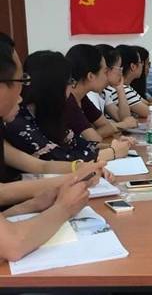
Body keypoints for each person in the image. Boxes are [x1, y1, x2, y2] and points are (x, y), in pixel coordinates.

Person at [0, 34, 104, 262]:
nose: (22, 94)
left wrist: (32, 204)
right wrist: (64, 207)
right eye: (20, 81)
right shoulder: (18, 121)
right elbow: (13, 245)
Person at [5, 50, 128, 163]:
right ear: (55, 87)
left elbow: (74, 142)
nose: (71, 87)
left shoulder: (47, 110)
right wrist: (111, 152)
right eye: (70, 81)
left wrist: (113, 146)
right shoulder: (17, 119)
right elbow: (54, 158)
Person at [88, 45, 137, 129]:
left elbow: (123, 118)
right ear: (106, 69)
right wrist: (124, 124)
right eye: (119, 67)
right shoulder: (91, 94)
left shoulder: (104, 92)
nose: (121, 72)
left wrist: (120, 88)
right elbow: (98, 130)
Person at [105, 45, 149, 118]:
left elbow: (146, 103)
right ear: (133, 66)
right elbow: (147, 112)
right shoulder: (119, 89)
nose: (143, 65)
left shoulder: (125, 87)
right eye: (141, 62)